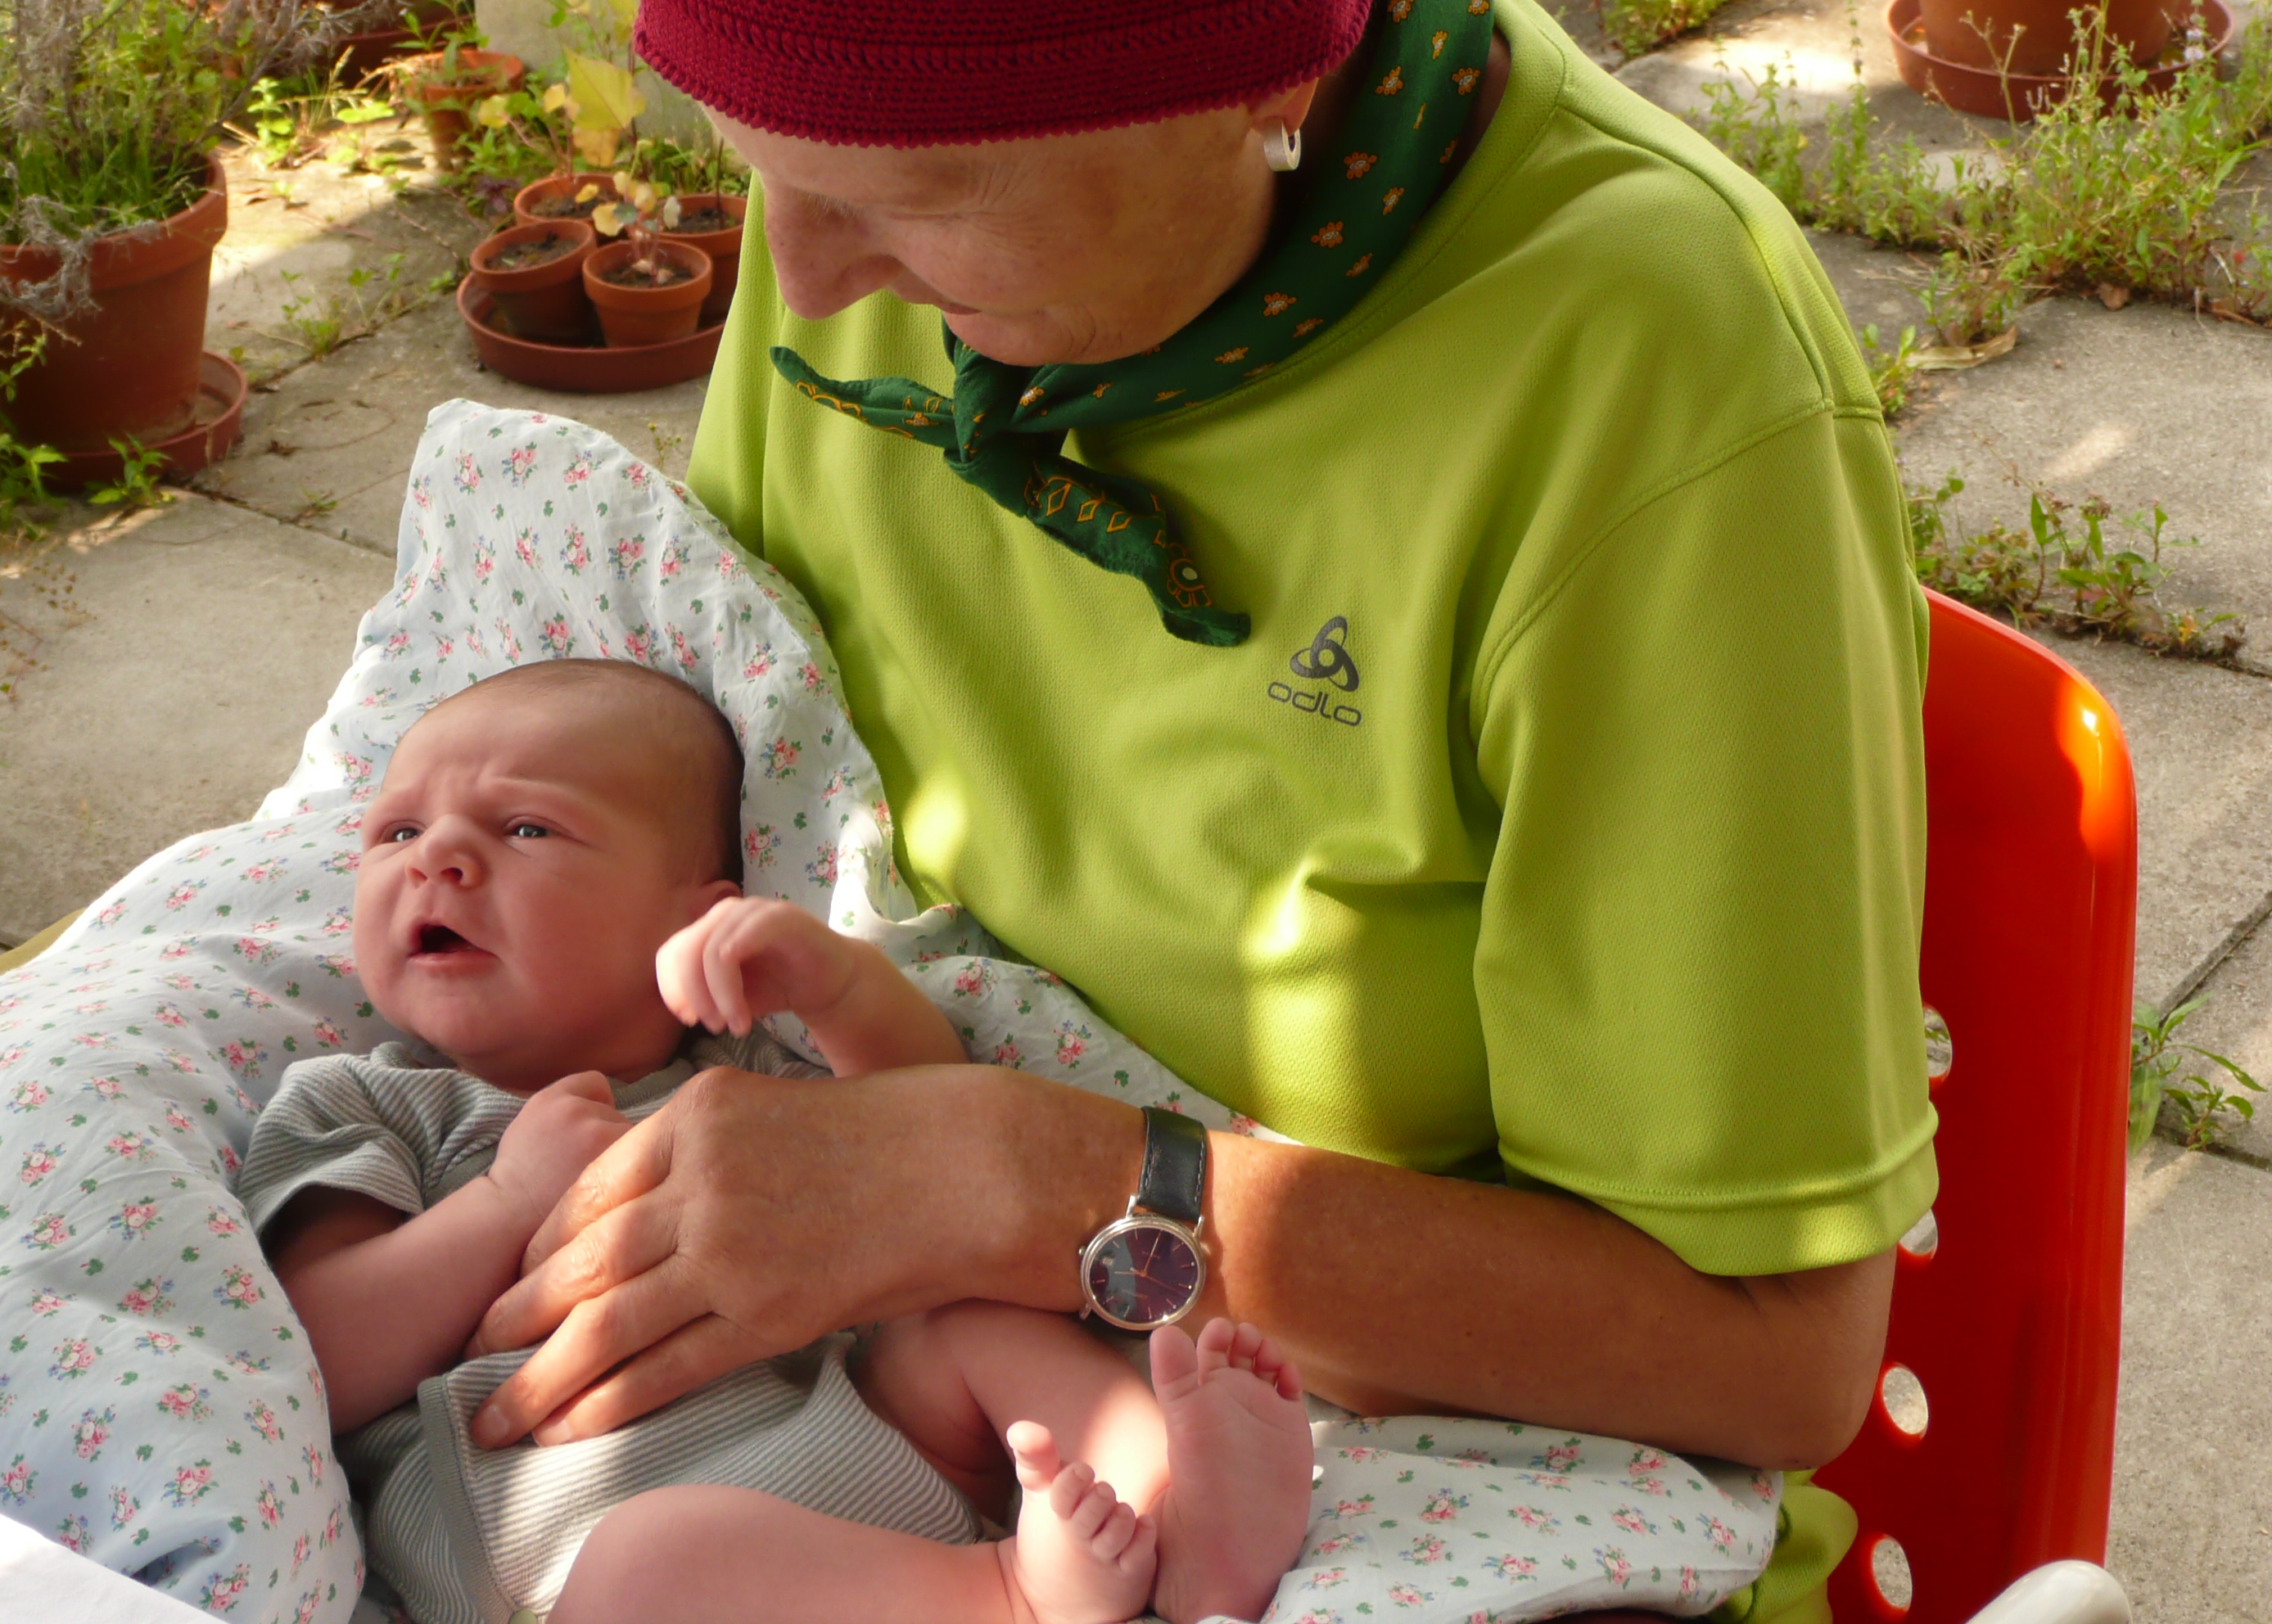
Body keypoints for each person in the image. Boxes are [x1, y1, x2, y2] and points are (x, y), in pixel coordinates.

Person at [449, 2, 1937, 1622]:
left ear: (1272, 75)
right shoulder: (864, 210)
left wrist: (1021, 1179)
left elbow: (1776, 1360)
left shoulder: (1652, 385)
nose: (801, 285)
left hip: (1438, 1514)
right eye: (753, 164)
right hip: (904, 1434)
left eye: (922, 197)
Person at [237, 658, 1318, 1624]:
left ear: (689, 915)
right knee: (655, 1561)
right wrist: (506, 1203)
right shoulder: (368, 1104)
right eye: (397, 833)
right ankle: (1016, 1598)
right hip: (576, 1570)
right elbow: (313, 1357)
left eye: (526, 829)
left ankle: (1179, 1519)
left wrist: (842, 991)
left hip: (875, 1438)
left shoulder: (741, 1074)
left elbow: (938, 1153)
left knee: (966, 1313)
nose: (438, 859)